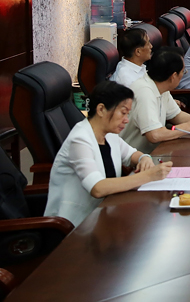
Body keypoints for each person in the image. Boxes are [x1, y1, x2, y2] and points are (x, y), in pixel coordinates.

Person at [44, 81, 173, 228]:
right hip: (75, 226)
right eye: (123, 113)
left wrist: (144, 158)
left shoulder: (109, 134)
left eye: (128, 114)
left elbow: (131, 154)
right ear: (101, 109)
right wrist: (148, 176)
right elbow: (97, 188)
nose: (126, 120)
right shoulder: (79, 140)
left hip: (105, 213)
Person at [122, 47, 190, 154]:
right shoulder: (144, 91)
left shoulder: (160, 86)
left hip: (154, 152)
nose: (184, 74)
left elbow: (176, 115)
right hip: (135, 158)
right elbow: (154, 135)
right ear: (173, 76)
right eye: (183, 71)